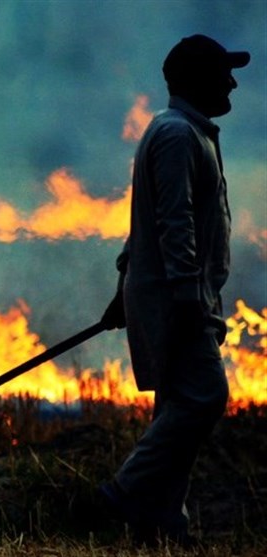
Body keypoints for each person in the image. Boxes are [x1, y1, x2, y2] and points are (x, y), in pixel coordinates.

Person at [99, 34, 250, 545]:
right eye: (223, 72)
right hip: (177, 298)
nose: (232, 81)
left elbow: (142, 226)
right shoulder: (178, 135)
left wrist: (125, 288)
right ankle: (120, 495)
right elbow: (172, 222)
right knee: (205, 397)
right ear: (197, 80)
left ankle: (162, 524)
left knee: (177, 407)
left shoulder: (187, 132)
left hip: (183, 295)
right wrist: (186, 298)